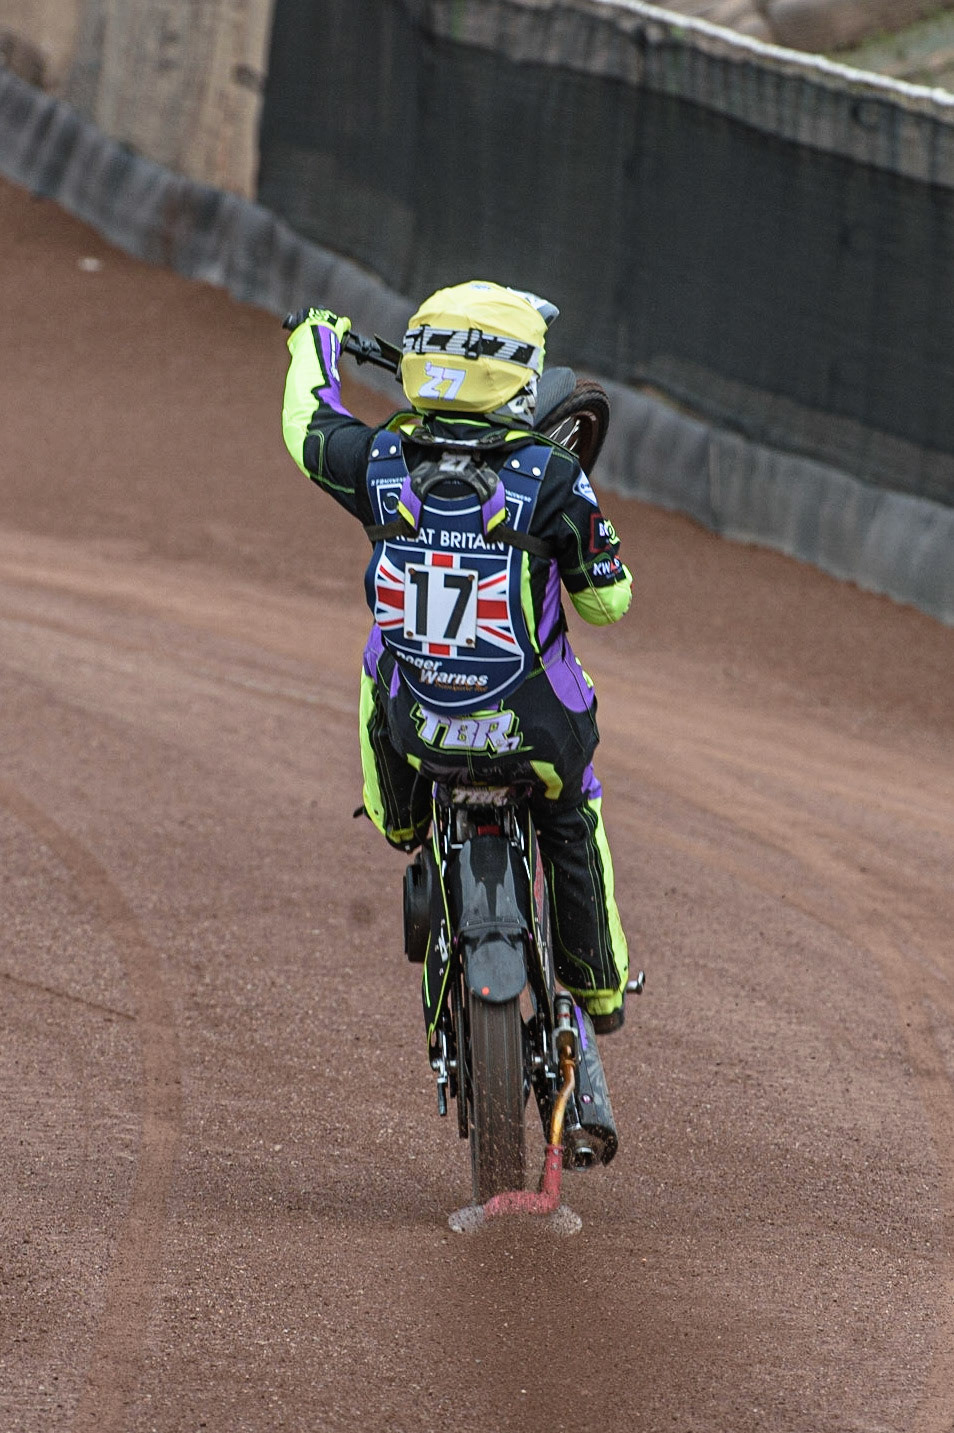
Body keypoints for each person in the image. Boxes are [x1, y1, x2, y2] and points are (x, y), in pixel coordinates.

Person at [281, 281, 633, 1033]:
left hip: (421, 734)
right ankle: (600, 992)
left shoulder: (380, 460)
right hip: (535, 735)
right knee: (574, 812)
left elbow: (306, 423)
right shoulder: (553, 475)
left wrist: (313, 341)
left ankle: (401, 818)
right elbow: (608, 603)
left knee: (380, 655)